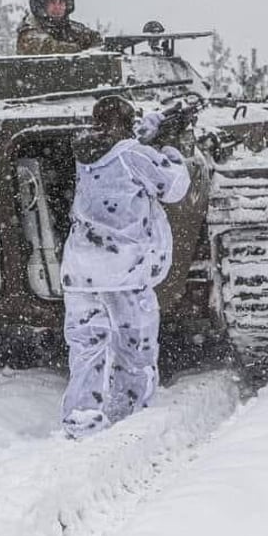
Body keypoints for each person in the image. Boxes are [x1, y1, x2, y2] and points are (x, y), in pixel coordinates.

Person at [58, 96, 190, 438]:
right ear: (124, 123)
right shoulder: (133, 155)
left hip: (80, 270)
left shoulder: (82, 152)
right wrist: (171, 148)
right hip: (124, 271)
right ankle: (130, 417)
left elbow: (117, 155)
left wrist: (149, 135)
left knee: (86, 347)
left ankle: (83, 416)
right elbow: (174, 187)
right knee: (134, 346)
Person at [16, 0, 103, 55]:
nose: (57, 7)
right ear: (42, 5)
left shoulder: (70, 28)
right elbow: (47, 48)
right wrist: (79, 49)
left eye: (61, 2)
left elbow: (95, 39)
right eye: (53, 3)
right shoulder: (29, 30)